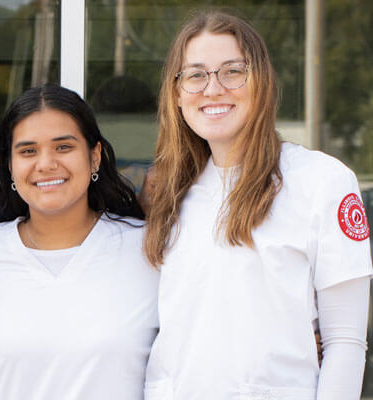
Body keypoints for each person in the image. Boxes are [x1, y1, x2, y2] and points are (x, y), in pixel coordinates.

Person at [142, 11, 372, 399]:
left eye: (232, 71)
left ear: (261, 82)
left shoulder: (323, 182)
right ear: (177, 94)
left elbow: (346, 342)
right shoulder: (166, 192)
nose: (213, 89)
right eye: (196, 75)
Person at [0, 84, 158, 399]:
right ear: (10, 166)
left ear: (95, 156)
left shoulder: (147, 249)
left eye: (63, 147)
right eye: (28, 151)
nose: (45, 164)